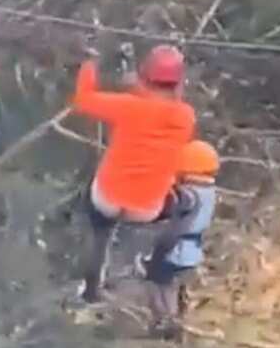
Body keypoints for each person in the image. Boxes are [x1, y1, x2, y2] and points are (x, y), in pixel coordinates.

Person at [71, 45, 196, 304]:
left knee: (99, 227)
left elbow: (83, 100)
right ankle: (158, 266)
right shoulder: (186, 117)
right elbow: (159, 107)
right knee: (187, 205)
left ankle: (90, 288)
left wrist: (89, 63)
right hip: (147, 208)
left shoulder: (127, 107)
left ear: (143, 76)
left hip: (107, 197)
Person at [141, 139, 220, 341]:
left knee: (156, 283)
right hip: (193, 249)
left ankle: (165, 325)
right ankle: (175, 326)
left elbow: (172, 224)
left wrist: (157, 255)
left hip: (176, 249)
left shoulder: (187, 195)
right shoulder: (208, 192)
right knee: (174, 287)